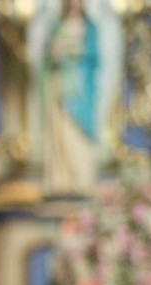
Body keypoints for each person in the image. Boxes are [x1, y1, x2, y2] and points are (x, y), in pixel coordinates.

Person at [41, 0, 99, 197]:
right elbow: (47, 59)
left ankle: (81, 181)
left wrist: (74, 53)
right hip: (59, 87)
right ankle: (60, 183)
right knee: (60, 134)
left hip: (80, 87)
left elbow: (94, 57)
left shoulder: (90, 27)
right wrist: (54, 55)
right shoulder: (57, 26)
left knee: (78, 134)